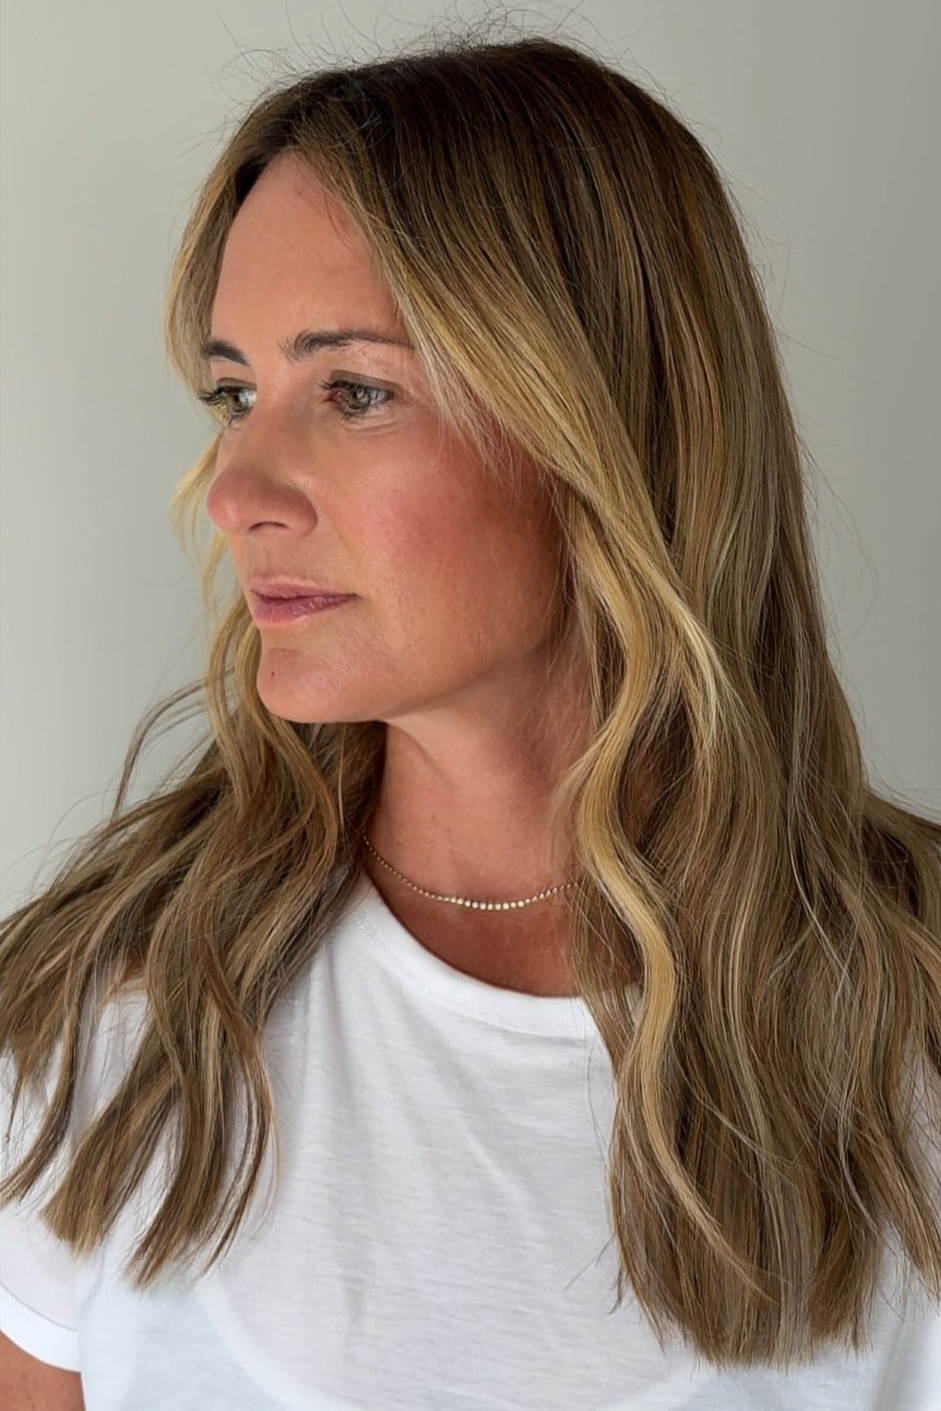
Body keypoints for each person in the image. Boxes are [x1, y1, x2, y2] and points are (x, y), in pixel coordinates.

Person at [1, 24, 940, 1411]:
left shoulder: (905, 1034)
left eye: (356, 390)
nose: (238, 486)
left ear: (605, 420)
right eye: (237, 392)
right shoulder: (110, 1016)